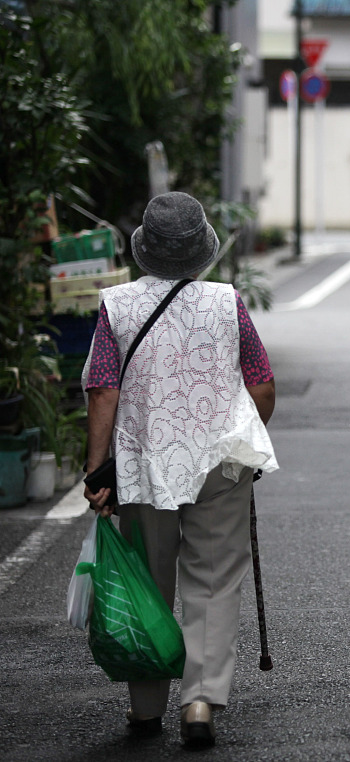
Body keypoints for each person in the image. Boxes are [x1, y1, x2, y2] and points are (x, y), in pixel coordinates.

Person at [82, 191, 278, 746]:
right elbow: (260, 382)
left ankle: (146, 708)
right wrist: (247, 433)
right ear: (201, 252)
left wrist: (98, 471)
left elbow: (103, 391)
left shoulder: (117, 305)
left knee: (147, 575)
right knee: (214, 579)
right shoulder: (226, 301)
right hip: (219, 460)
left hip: (144, 463)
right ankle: (199, 702)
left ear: (146, 248)